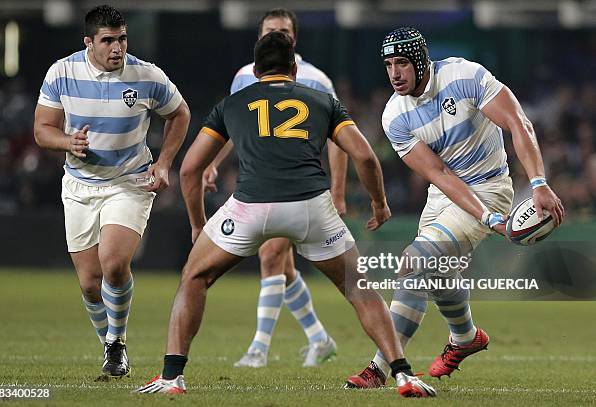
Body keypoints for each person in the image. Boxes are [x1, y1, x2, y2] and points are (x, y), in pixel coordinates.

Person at [136, 31, 436, 398]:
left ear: (255, 70)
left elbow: (189, 170)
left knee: (194, 276)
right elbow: (365, 157)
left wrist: (198, 224)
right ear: (294, 68)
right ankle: (403, 374)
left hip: (250, 207)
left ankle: (172, 377)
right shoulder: (322, 100)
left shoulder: (233, 103)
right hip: (311, 208)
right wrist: (379, 203)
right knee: (360, 289)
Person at [346, 27, 565, 388]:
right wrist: (487, 220)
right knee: (436, 272)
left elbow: (517, 122)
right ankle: (465, 338)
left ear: (419, 60)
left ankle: (381, 369)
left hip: (491, 187)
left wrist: (538, 183)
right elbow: (439, 173)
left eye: (402, 63)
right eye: (388, 65)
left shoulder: (464, 75)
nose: (394, 73)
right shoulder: (394, 116)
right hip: (444, 193)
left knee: (414, 263)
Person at [33, 5, 190, 378]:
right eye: (107, 41)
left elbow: (180, 114)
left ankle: (116, 344)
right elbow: (42, 130)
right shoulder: (62, 72)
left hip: (129, 182)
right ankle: (111, 345)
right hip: (80, 185)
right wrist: (68, 141)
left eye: (121, 39)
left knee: (114, 264)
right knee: (90, 284)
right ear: (89, 42)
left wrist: (164, 162)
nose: (117, 47)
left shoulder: (147, 75)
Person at [203, 8, 347, 368]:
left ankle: (258, 349)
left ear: (294, 37)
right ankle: (319, 339)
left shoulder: (316, 80)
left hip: (299, 183)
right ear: (259, 37)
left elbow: (340, 140)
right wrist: (214, 162)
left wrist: (339, 191)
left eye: (283, 30)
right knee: (283, 267)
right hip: (257, 182)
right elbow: (233, 125)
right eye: (271, 30)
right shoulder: (243, 77)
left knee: (271, 257)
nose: (278, 35)